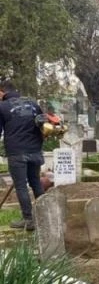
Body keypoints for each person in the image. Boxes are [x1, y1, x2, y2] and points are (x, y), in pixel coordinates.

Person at [0, 80, 44, 231]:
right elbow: (43, 125)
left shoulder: (2, 107)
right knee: (36, 182)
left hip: (17, 152)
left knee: (21, 186)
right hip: (35, 150)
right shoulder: (33, 104)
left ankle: (28, 219)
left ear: (2, 92)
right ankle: (44, 215)